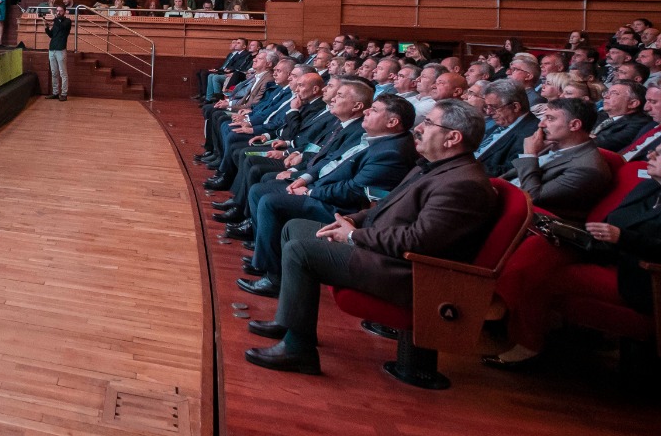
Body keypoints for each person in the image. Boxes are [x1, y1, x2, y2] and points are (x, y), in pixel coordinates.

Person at [242, 99, 498, 375]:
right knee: (295, 227)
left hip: (407, 271)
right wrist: (353, 220)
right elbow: (385, 205)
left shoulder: (463, 184)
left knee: (301, 251)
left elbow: (420, 241)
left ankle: (298, 350)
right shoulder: (433, 166)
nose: (419, 128)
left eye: (428, 123)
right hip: (382, 249)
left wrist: (354, 236)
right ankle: (291, 322)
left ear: (453, 138)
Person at [487, 146, 661, 369]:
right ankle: (494, 303)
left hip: (641, 276)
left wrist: (623, 237)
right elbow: (613, 220)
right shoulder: (649, 185)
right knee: (541, 245)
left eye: (659, 154)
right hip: (605, 251)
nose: (650, 155)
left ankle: (527, 343)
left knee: (545, 277)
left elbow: (629, 235)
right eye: (654, 150)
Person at [238, 92, 419, 296]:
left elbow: (353, 190)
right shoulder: (377, 139)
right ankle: (265, 260)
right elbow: (332, 158)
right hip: (323, 187)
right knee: (263, 190)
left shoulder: (391, 152)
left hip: (341, 208)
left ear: (392, 122)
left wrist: (310, 192)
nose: (367, 111)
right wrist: (305, 178)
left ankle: (273, 278)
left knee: (270, 201)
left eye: (374, 110)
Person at [508, 97, 612, 223]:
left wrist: (529, 155)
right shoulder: (553, 142)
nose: (541, 124)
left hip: (525, 218)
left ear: (574, 125)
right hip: (507, 194)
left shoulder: (587, 169)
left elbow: (532, 198)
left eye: (550, 118)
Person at [44, 0, 73, 102]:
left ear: (64, 12)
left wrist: (55, 18)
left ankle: (64, 93)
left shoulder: (67, 21)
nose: (58, 12)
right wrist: (47, 28)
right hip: (52, 49)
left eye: (60, 11)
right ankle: (55, 92)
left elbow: (62, 27)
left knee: (63, 73)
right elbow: (52, 35)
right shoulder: (56, 22)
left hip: (61, 50)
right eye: (57, 11)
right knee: (54, 72)